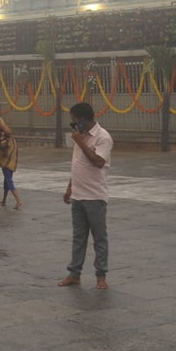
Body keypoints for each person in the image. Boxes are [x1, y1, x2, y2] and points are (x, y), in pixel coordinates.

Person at [59, 102, 113, 291]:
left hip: (95, 196)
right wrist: (69, 188)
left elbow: (98, 162)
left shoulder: (102, 137)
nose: (73, 126)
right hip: (78, 194)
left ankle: (101, 275)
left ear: (83, 120)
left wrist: (81, 143)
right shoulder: (79, 137)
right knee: (78, 237)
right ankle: (74, 273)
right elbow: (77, 165)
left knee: (99, 237)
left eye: (75, 122)